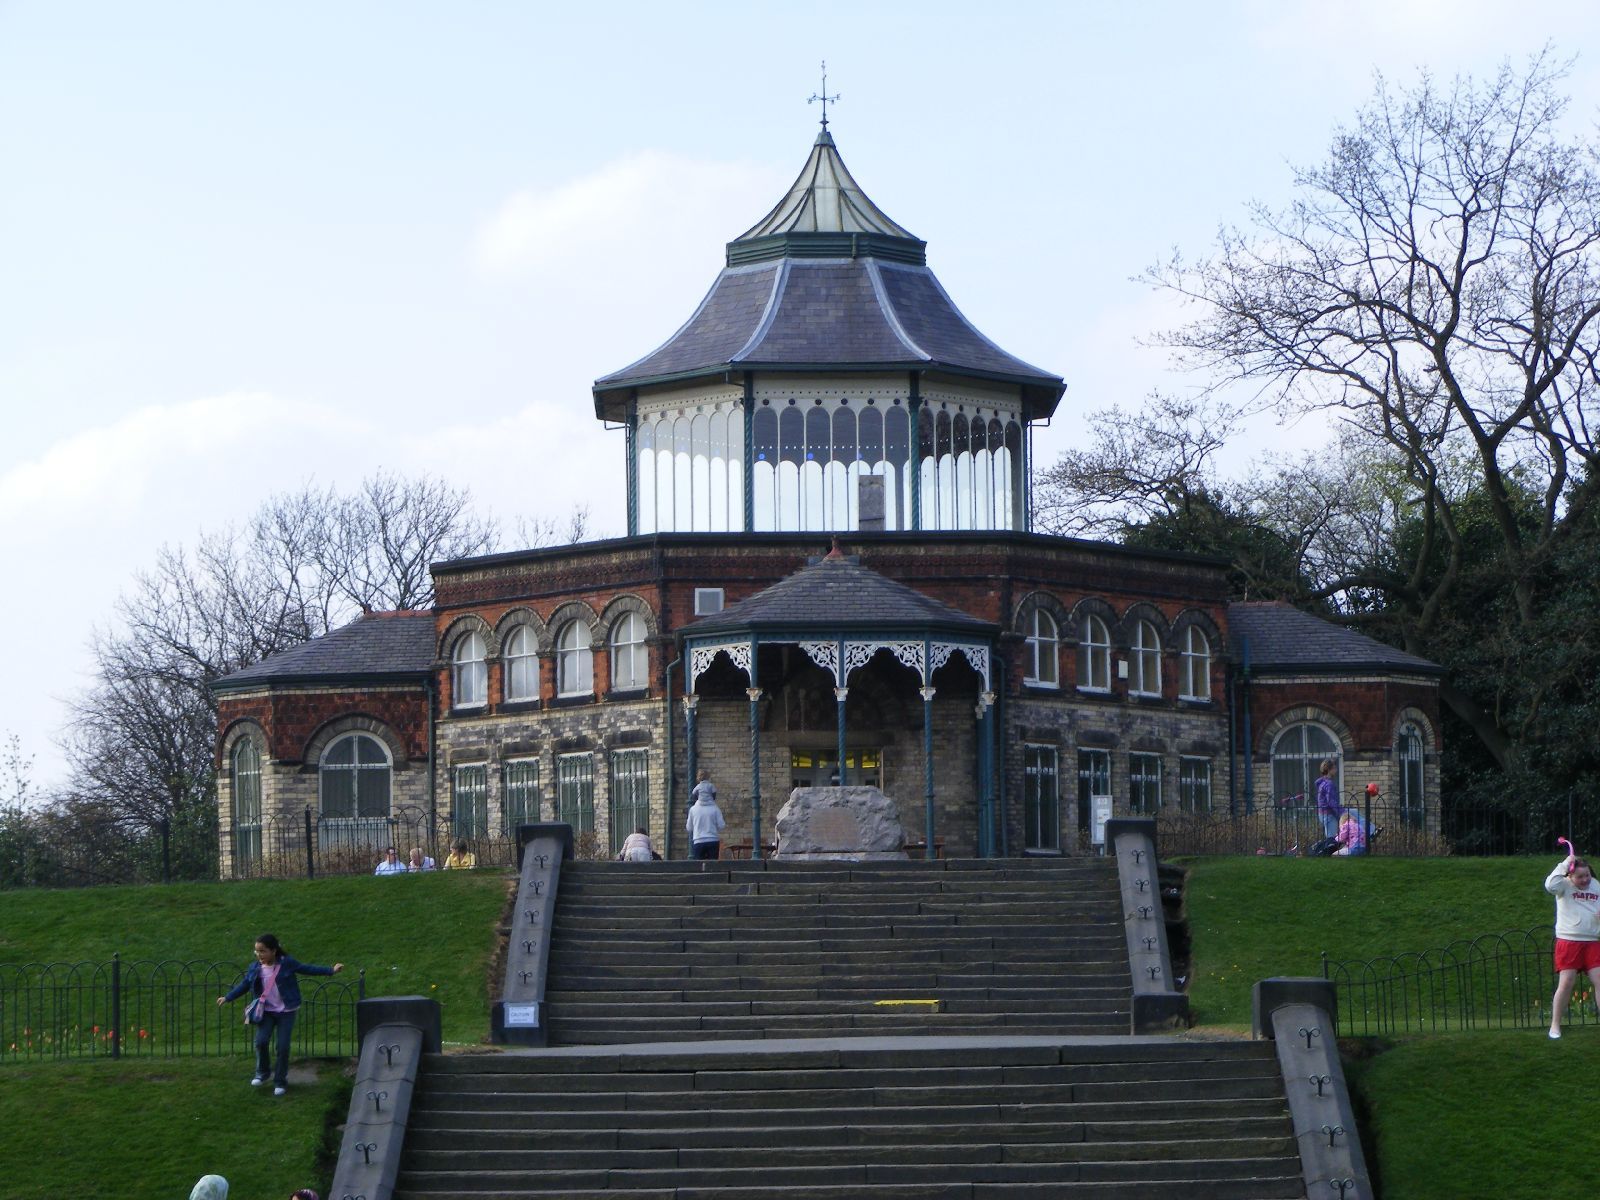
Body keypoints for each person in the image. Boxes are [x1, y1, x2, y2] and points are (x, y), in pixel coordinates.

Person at [217, 933, 344, 1095]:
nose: (259, 955)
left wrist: (330, 970)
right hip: (267, 1012)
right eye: (256, 951)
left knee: (282, 1047)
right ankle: (262, 1073)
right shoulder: (255, 968)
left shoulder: (287, 963)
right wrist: (228, 997)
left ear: (274, 951)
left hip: (286, 1011)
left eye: (262, 951)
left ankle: (280, 1081)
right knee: (261, 1042)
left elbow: (306, 969)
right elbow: (245, 984)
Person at [1545, 852, 1600, 1039]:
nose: (1585, 879)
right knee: (1567, 983)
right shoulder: (1563, 886)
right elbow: (1549, 885)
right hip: (1569, 941)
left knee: (1599, 981)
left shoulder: (1596, 886)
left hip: (1592, 941)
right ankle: (1555, 1026)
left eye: (1587, 875)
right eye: (1580, 876)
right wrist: (1564, 864)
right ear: (1570, 876)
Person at [686, 770, 725, 860]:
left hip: (698, 841)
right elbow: (722, 825)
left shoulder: (693, 810)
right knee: (712, 867)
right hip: (713, 840)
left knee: (699, 868)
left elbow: (689, 828)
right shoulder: (715, 809)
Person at [1314, 759, 1342, 838]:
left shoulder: (1323, 782)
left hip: (1323, 813)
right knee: (1332, 840)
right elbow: (1331, 801)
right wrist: (1342, 812)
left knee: (1330, 838)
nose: (1336, 770)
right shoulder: (1329, 784)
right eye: (1334, 768)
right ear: (1329, 770)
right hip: (1328, 814)